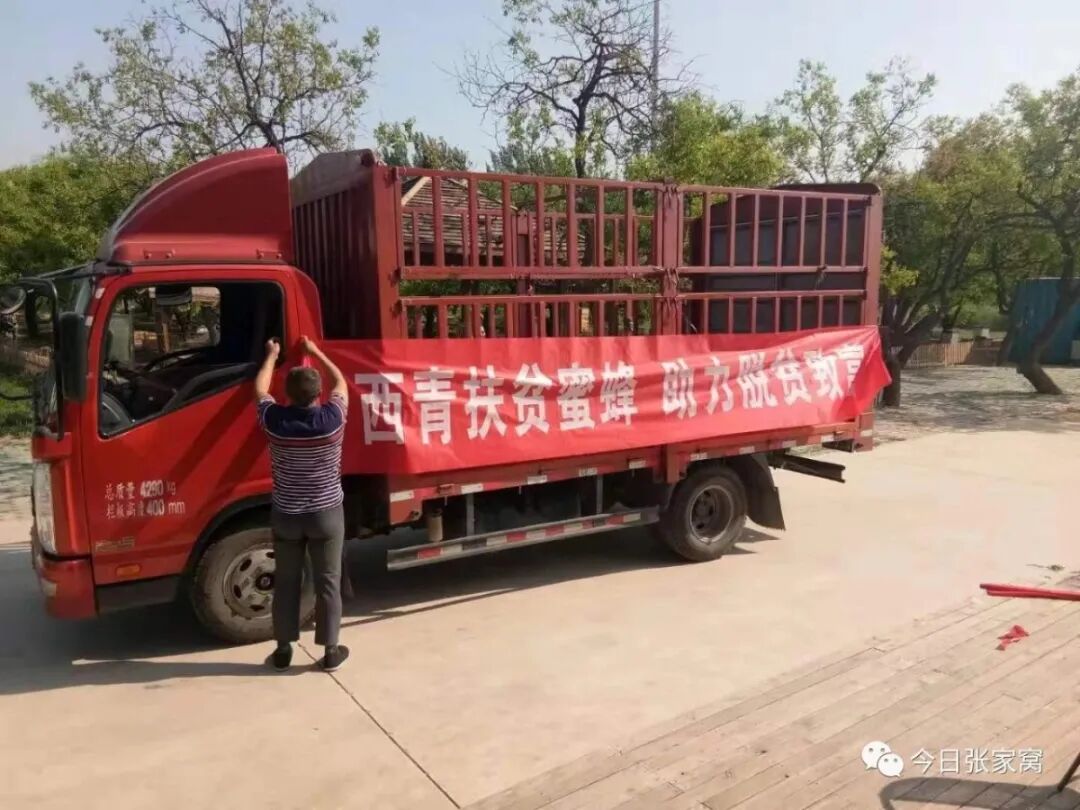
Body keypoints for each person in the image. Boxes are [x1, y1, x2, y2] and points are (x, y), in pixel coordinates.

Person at [254, 336, 350, 672]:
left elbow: (259, 389)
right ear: (318, 394)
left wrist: (272, 355)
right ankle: (331, 651)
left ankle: (283, 650)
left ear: (287, 394)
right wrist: (316, 352)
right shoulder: (332, 419)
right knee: (328, 581)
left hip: (287, 515)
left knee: (286, 582)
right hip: (326, 514)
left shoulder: (275, 421)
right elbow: (341, 382)